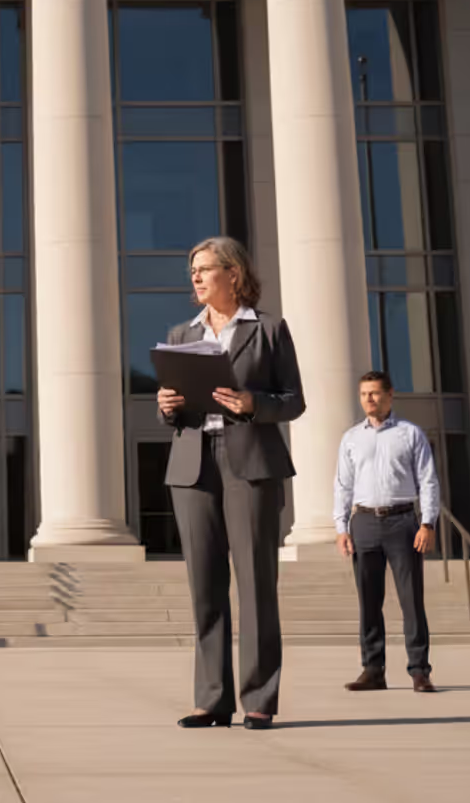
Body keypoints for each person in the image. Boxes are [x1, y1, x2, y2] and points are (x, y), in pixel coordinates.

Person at [157, 236, 303, 730]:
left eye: (204, 269)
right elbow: (172, 410)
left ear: (233, 274)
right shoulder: (181, 334)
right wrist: (168, 407)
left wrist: (253, 404)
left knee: (257, 584)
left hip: (251, 464)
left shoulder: (268, 330)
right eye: (192, 270)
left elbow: (294, 401)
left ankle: (258, 698)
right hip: (193, 466)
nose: (195, 278)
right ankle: (211, 700)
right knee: (205, 586)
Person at [335, 370, 441, 693]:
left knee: (411, 600)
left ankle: (419, 671)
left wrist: (428, 523)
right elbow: (343, 485)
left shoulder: (410, 434)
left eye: (375, 393)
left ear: (390, 396)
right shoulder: (351, 438)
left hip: (403, 523)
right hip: (364, 522)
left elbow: (428, 480)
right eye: (364, 393)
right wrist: (341, 527)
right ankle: (372, 669)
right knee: (368, 601)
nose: (369, 399)